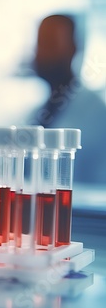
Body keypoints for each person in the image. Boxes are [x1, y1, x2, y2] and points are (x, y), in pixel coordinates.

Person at [28, 14, 106, 184]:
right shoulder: (37, 113)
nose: (39, 52)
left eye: (49, 43)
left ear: (74, 49)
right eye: (39, 43)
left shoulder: (99, 113)